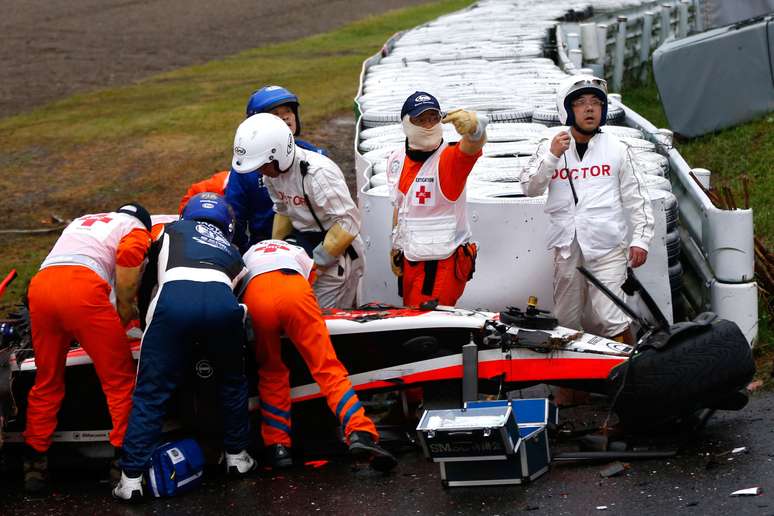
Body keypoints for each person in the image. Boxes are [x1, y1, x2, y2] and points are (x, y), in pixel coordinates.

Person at [113, 193, 255, 502]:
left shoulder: (168, 231)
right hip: (223, 304)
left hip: (174, 299)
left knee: (151, 392)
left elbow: (146, 278)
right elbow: (238, 291)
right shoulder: (232, 250)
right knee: (232, 382)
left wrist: (141, 318)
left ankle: (131, 478)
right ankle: (237, 457)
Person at [23, 204, 153, 494]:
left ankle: (34, 462)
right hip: (82, 290)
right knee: (118, 381)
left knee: (47, 380)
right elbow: (129, 258)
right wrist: (125, 310)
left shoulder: (83, 220)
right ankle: (123, 461)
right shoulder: (135, 229)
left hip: (42, 287)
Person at [239, 239, 397, 472]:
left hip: (257, 293)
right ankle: (360, 432)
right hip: (294, 290)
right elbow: (312, 281)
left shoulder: (249, 251)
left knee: (271, 371)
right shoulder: (298, 250)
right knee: (326, 367)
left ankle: (277, 447)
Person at [519, 74, 654, 345]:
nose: (589, 108)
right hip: (566, 248)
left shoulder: (618, 148)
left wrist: (641, 240)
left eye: (596, 102)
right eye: (581, 103)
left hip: (607, 248)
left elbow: (637, 197)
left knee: (611, 317)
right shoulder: (549, 146)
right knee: (565, 320)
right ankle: (572, 386)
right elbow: (529, 187)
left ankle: (629, 378)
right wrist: (552, 156)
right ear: (567, 109)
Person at [231, 113, 364, 308]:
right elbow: (282, 210)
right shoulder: (272, 175)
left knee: (325, 320)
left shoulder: (318, 173)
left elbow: (349, 223)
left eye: (263, 165)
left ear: (278, 153)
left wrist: (313, 263)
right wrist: (276, 254)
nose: (260, 171)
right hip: (307, 249)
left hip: (339, 257)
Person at [387, 91, 487, 308]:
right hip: (410, 259)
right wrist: (395, 246)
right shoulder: (396, 159)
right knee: (410, 321)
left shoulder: (449, 159)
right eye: (421, 119)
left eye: (433, 118)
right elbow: (400, 204)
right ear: (406, 124)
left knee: (428, 331)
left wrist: (475, 129)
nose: (429, 125)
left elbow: (472, 146)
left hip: (441, 265)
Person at [228, 85, 327, 253]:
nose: (285, 118)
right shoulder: (245, 168)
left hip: (314, 246)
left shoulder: (316, 158)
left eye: (288, 111)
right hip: (263, 249)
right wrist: (245, 252)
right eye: (275, 115)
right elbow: (235, 217)